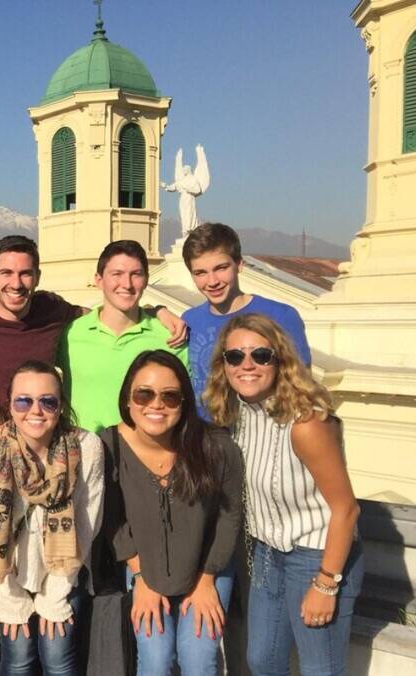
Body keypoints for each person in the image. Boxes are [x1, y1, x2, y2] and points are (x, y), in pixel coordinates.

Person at [204, 314, 362, 676]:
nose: (247, 365)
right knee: (262, 660)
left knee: (319, 668)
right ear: (223, 365)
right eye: (235, 357)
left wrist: (326, 583)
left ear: (280, 360)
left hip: (317, 557)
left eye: (260, 355)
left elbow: (346, 510)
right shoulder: (238, 414)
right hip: (266, 555)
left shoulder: (306, 424)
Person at [0, 235, 187, 437]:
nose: (16, 284)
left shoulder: (55, 315)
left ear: (38, 277)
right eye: (6, 273)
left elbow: (110, 310)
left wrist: (156, 310)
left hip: (44, 454)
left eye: (25, 274)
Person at [102, 350, 241, 675]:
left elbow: (229, 517)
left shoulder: (216, 447)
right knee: (155, 657)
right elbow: (112, 521)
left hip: (208, 566)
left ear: (184, 401)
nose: (156, 404)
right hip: (144, 568)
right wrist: (141, 579)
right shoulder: (109, 447)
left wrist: (207, 580)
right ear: (128, 399)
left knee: (198, 657)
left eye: (170, 396)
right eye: (144, 394)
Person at [0, 361, 104, 676]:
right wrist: (9, 597)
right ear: (10, 404)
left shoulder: (86, 447)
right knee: (17, 657)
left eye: (48, 401)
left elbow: (86, 524)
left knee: (58, 656)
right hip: (8, 573)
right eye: (24, 400)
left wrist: (56, 594)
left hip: (66, 570)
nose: (36, 410)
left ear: (61, 406)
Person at [181, 223, 310, 418]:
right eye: (201, 273)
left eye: (221, 268)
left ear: (239, 264)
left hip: (262, 436)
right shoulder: (189, 320)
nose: (212, 281)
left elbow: (301, 385)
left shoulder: (281, 316)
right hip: (203, 439)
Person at [58, 240, 188, 434]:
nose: (126, 284)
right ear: (99, 280)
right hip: (83, 453)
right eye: (116, 274)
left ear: (146, 279)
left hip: (145, 456)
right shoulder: (70, 334)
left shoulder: (171, 336)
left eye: (135, 274)